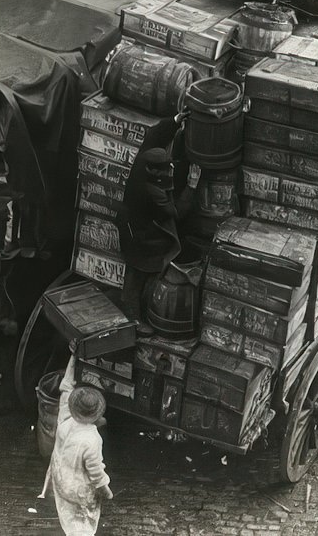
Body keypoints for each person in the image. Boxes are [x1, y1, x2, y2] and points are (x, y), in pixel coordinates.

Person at [120, 146, 196, 330]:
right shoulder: (151, 190)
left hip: (134, 235)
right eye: (164, 168)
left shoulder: (138, 174)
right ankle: (134, 321)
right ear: (152, 170)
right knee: (139, 280)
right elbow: (175, 212)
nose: (169, 170)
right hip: (146, 242)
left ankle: (132, 316)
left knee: (134, 277)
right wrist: (192, 185)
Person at [40, 356, 112, 536]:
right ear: (96, 415)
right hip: (80, 490)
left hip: (60, 479)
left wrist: (73, 355)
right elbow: (95, 471)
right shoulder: (92, 439)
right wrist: (105, 489)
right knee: (83, 525)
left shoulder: (64, 417)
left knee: (68, 516)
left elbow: (66, 386)